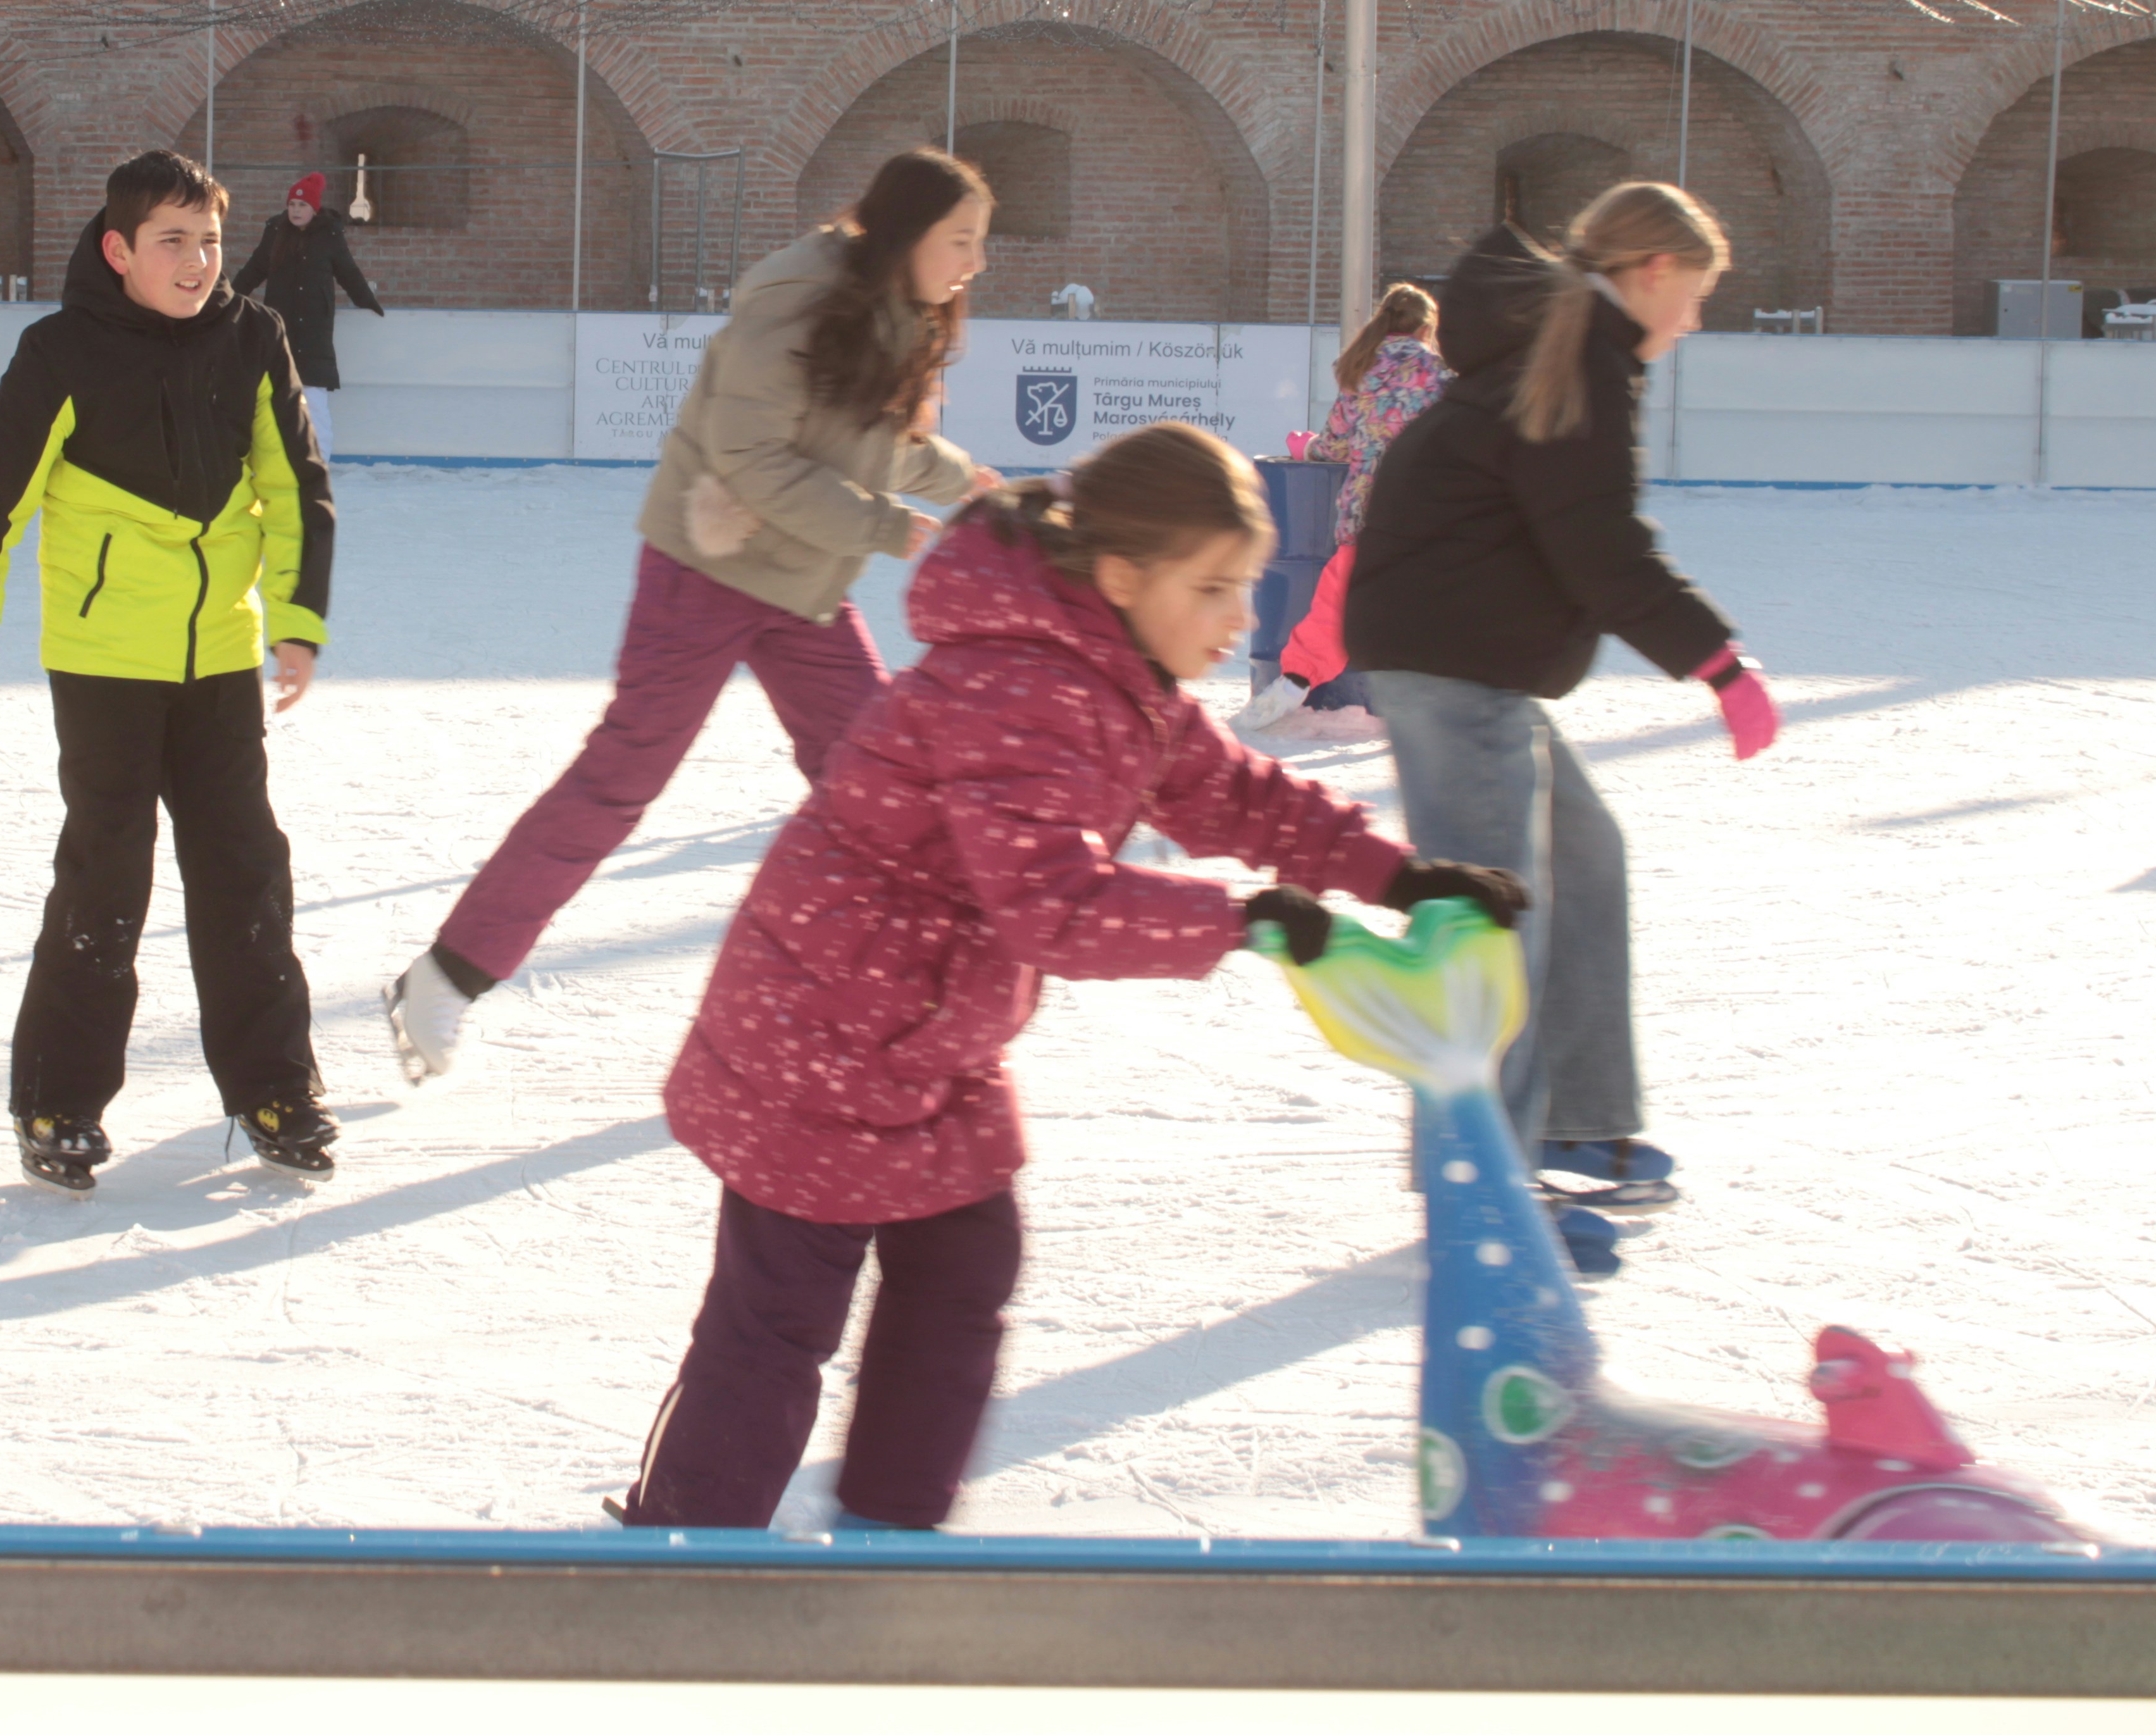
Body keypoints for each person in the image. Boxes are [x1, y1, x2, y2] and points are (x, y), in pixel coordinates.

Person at [618, 425, 1528, 1529]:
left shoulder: (1116, 675)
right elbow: (1052, 905)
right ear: (1123, 577)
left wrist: (1398, 875)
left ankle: (888, 1531)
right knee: (779, 1319)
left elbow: (1239, 796)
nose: (1242, 618)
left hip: (928, 1034)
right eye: (1214, 588)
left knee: (962, 1272)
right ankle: (682, 1553)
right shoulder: (1022, 686)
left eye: (1245, 586)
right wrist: (1245, 922)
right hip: (819, 1026)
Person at [383, 147, 1001, 1086]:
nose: (974, 264)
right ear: (910, 233)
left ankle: (876, 1002)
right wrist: (887, 526)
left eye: (980, 242)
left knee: (874, 779)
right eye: (960, 240)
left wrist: (966, 483)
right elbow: (752, 460)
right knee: (622, 776)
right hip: (704, 569)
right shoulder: (797, 301)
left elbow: (874, 444)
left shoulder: (895, 312)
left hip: (801, 581)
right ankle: (448, 974)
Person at [1347, 182, 1774, 1272]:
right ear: (1653, 273)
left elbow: (1574, 533)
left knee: (1582, 858)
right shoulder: (1581, 357)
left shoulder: (1576, 346)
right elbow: (1601, 547)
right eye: (1697, 294)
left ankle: (1570, 1120)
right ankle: (1482, 1178)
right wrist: (1719, 663)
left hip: (1466, 652)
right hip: (1450, 659)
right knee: (1492, 922)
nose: (1695, 320)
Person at [0, 149, 335, 1193]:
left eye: (210, 241)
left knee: (245, 867)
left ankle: (276, 1086)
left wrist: (297, 622)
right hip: (104, 661)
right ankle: (58, 1102)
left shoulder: (254, 337)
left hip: (217, 658)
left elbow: (295, 486)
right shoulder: (61, 352)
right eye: (172, 242)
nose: (198, 262)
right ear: (118, 251)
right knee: (107, 876)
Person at [1241, 282, 1449, 738]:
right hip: (1428, 518)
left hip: (1366, 514)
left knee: (1335, 609)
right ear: (1426, 328)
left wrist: (1306, 446)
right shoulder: (1440, 377)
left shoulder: (1362, 371)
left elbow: (1335, 445)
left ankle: (1294, 683)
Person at [230, 171, 383, 457]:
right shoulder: (276, 233)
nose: (296, 210)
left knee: (314, 398)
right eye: (292, 205)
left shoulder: (330, 235)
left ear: (314, 209)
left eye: (302, 205)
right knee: (276, 395)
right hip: (280, 325)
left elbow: (348, 271)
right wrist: (230, 297)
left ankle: (320, 459)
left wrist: (367, 301)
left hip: (315, 330)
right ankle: (277, 457)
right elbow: (255, 269)